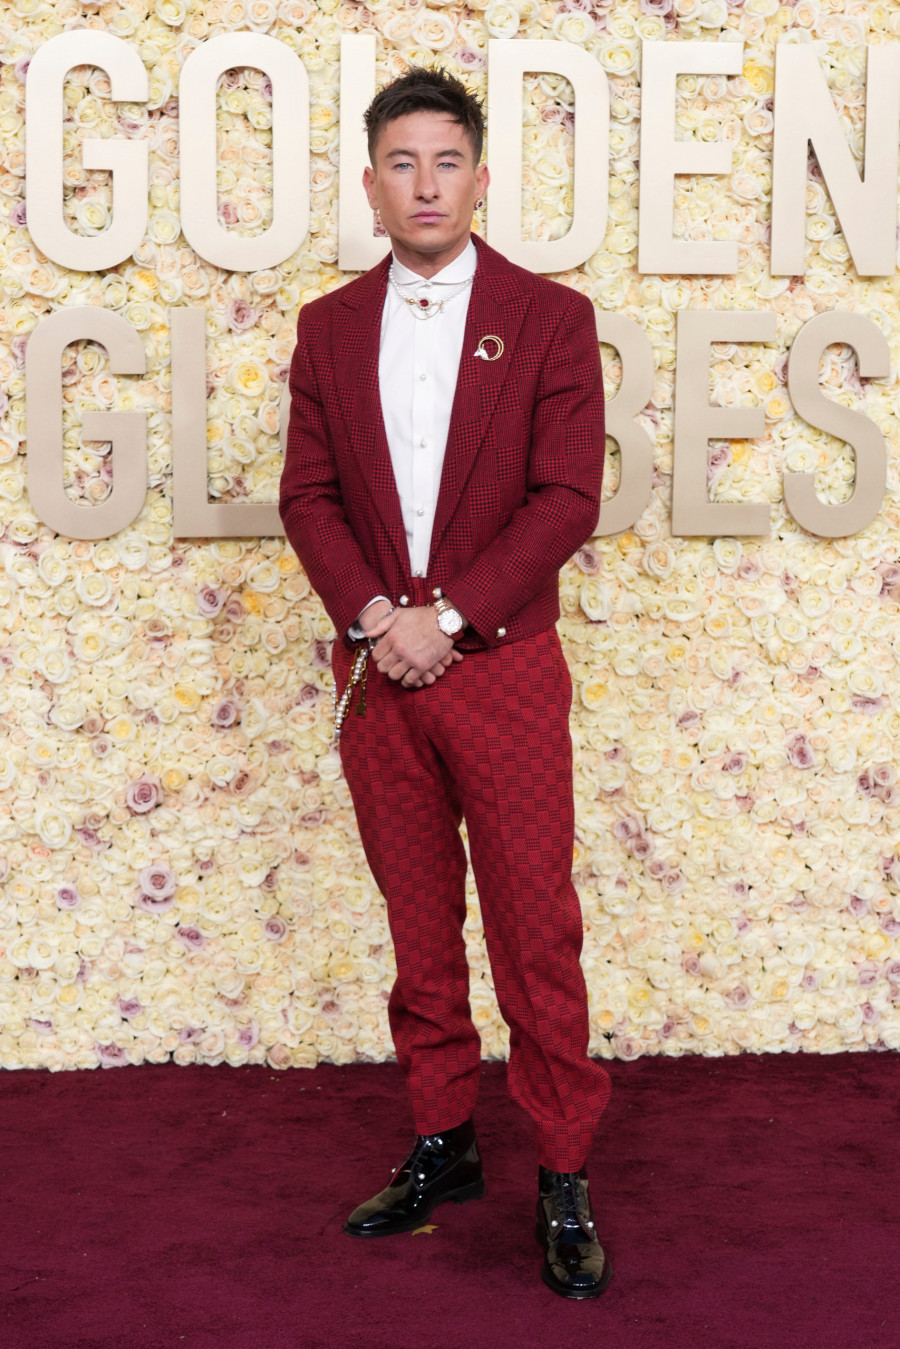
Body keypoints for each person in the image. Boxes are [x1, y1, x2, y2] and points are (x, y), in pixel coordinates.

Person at [279, 66, 611, 1299]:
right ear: (372, 188)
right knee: (419, 927)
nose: (426, 183)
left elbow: (568, 493)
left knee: (536, 931)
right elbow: (306, 494)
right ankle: (443, 1141)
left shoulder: (549, 317)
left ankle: (564, 1171)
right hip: (379, 675)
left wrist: (450, 615)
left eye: (447, 161)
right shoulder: (326, 326)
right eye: (401, 164)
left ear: (480, 177)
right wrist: (376, 617)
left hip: (503, 670)